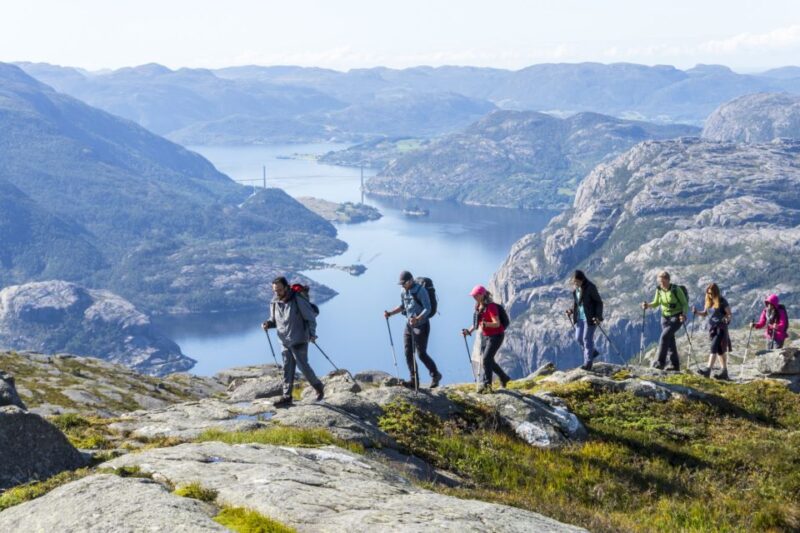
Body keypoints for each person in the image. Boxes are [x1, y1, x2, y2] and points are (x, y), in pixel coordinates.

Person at [262, 276, 324, 407]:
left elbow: (310, 318)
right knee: (287, 368)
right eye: (274, 290)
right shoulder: (274, 302)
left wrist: (312, 334)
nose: (277, 293)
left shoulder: (297, 299)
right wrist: (267, 324)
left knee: (303, 366)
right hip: (284, 340)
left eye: (279, 289)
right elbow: (274, 320)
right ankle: (287, 396)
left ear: (286, 287)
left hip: (299, 338)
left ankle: (318, 387)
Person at [384, 270, 442, 389]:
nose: (402, 285)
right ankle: (414, 381)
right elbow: (402, 306)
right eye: (401, 284)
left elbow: (428, 308)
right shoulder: (403, 291)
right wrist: (390, 313)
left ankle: (435, 374)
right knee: (408, 352)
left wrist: (418, 318)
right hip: (409, 325)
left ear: (410, 280)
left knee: (421, 354)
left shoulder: (421, 291)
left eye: (404, 283)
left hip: (421, 325)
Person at [461, 285, 511, 393]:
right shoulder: (479, 305)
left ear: (482, 295)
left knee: (486, 360)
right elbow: (476, 323)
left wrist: (486, 324)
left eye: (476, 295)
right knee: (488, 360)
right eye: (473, 295)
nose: (474, 297)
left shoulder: (491, 307)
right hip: (485, 335)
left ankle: (487, 385)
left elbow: (497, 324)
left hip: (496, 336)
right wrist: (468, 331)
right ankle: (503, 377)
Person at [641, 271, 688, 371]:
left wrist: (683, 315)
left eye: (663, 282)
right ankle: (675, 366)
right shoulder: (659, 290)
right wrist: (647, 306)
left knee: (664, 336)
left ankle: (660, 363)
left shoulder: (676, 289)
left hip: (677, 316)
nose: (661, 284)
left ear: (668, 280)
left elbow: (684, 304)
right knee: (670, 340)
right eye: (660, 282)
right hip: (665, 317)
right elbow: (656, 302)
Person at [693, 283, 732, 380]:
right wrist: (697, 312)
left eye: (711, 293)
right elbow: (705, 313)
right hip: (712, 329)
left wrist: (727, 319)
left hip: (721, 328)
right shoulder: (708, 301)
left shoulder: (722, 301)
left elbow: (729, 314)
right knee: (720, 351)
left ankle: (707, 370)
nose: (710, 295)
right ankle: (724, 372)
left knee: (713, 347)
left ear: (716, 292)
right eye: (708, 293)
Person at [565, 270, 603, 371]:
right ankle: (592, 352)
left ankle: (588, 363)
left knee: (587, 339)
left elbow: (599, 303)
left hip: (590, 318)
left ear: (582, 280)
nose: (575, 284)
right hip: (580, 318)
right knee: (578, 338)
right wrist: (571, 311)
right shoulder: (576, 291)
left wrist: (598, 317)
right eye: (574, 282)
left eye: (577, 282)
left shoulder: (590, 288)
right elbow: (579, 304)